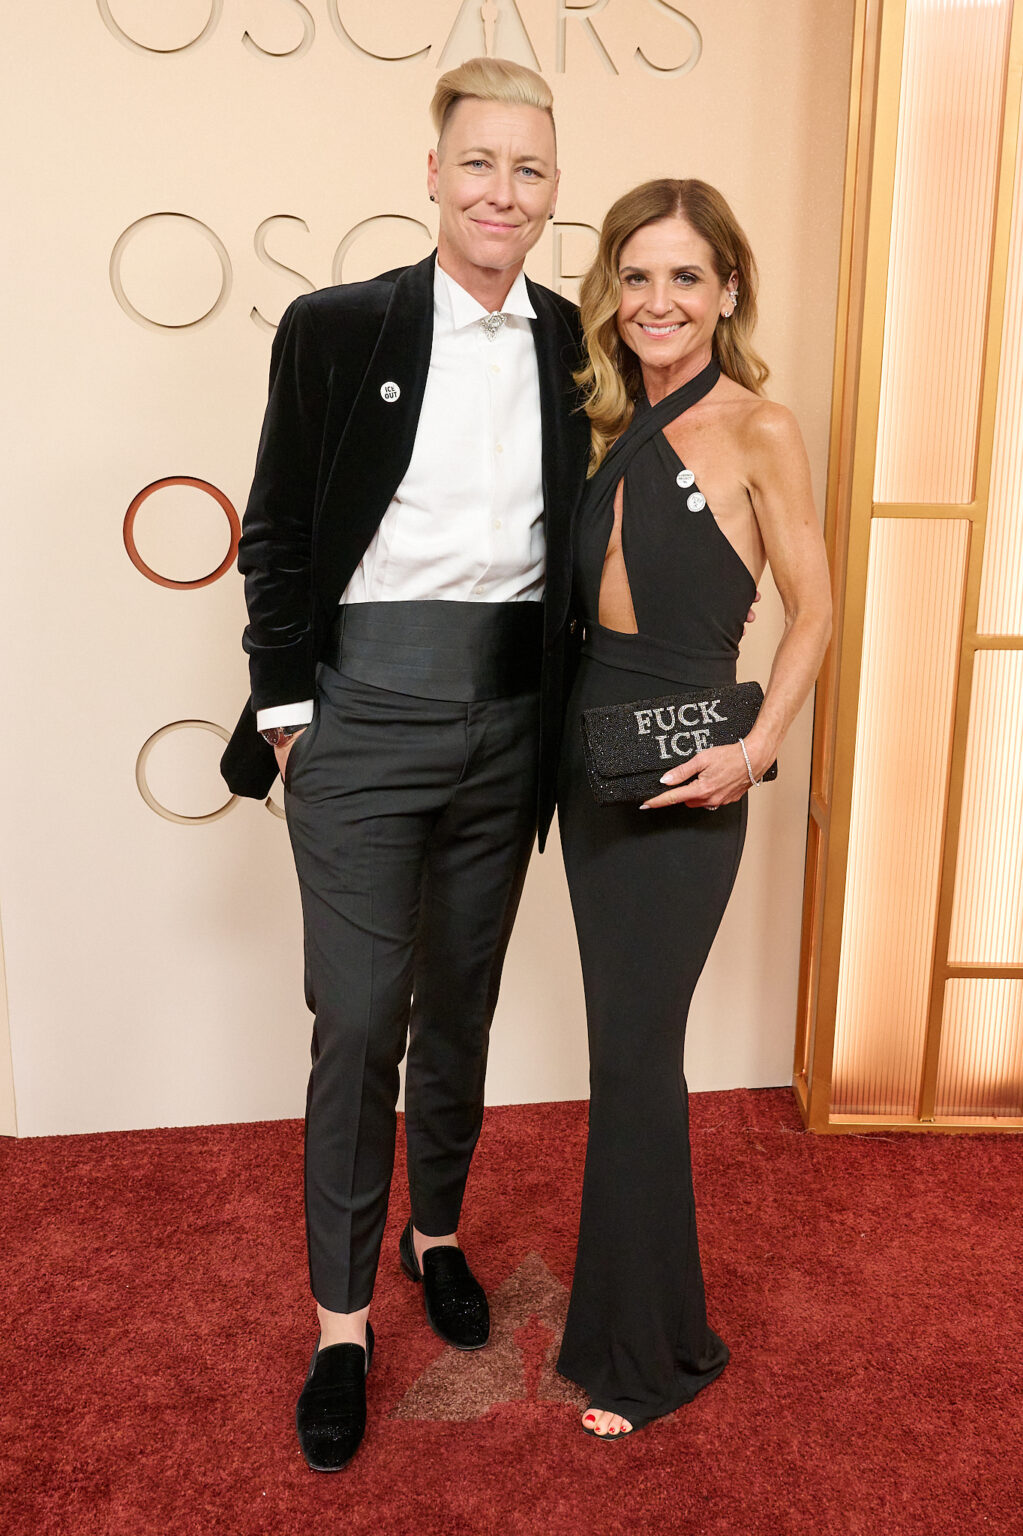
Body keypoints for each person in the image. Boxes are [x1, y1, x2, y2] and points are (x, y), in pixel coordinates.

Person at [219, 58, 591, 1471]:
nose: (504, 190)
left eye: (531, 170)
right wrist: (290, 718)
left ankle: (437, 1234)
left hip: (508, 727)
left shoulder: (573, 344)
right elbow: (276, 533)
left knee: (461, 1010)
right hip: (361, 720)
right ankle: (338, 1324)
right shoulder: (334, 327)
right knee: (361, 1018)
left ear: (553, 194)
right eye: (480, 162)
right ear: (431, 174)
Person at [556, 179, 832, 1438]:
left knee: (633, 1055)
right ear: (613, 288)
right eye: (637, 274)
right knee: (620, 1049)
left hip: (691, 763)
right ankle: (621, 1325)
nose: (657, 301)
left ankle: (650, 1354)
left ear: (727, 292)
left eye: (685, 277)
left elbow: (816, 611)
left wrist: (758, 751)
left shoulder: (761, 428)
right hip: (586, 757)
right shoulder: (594, 415)